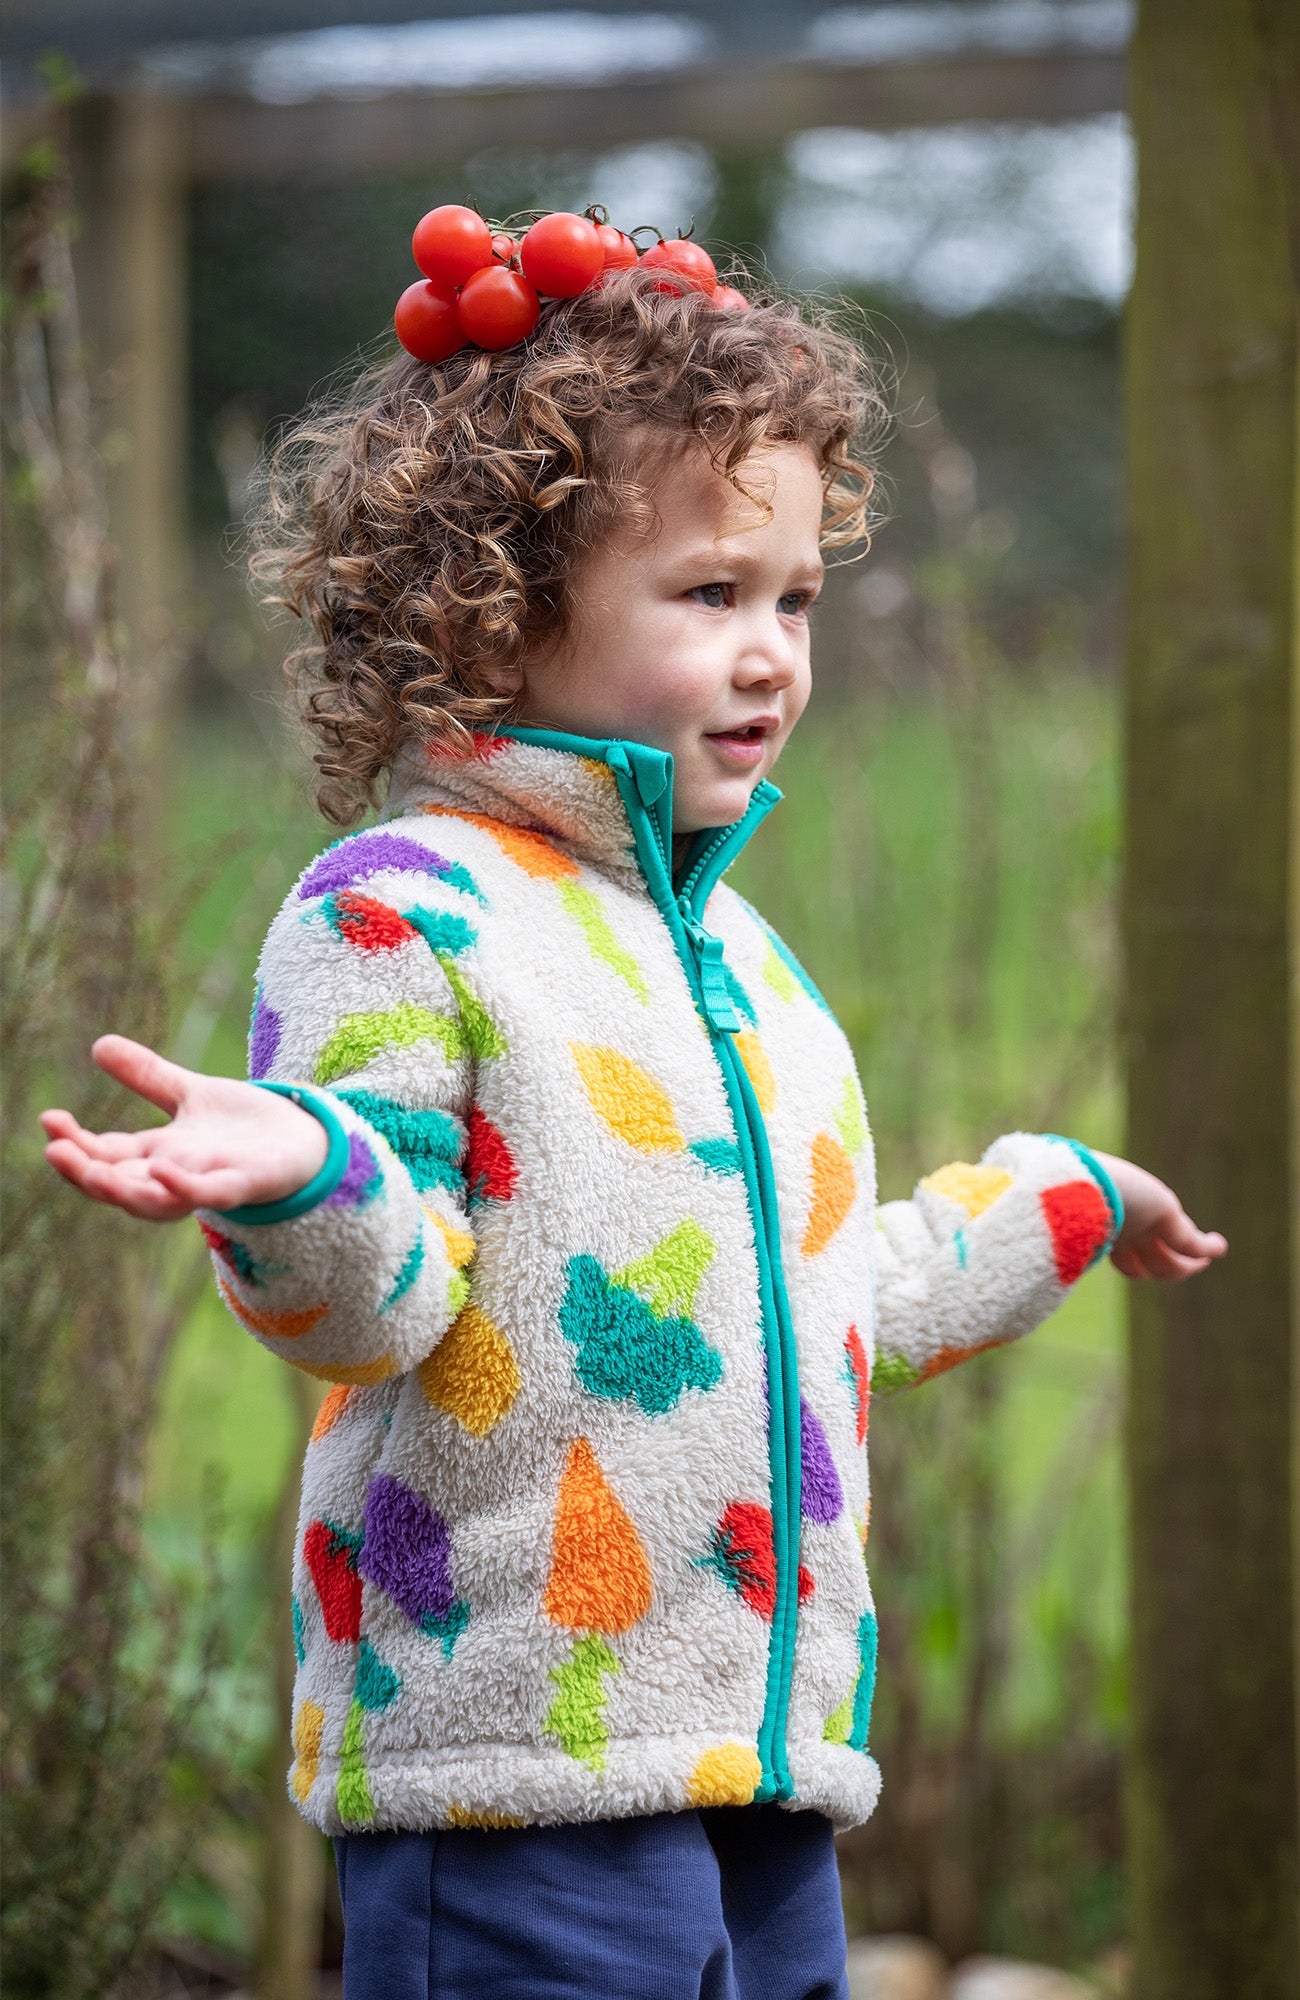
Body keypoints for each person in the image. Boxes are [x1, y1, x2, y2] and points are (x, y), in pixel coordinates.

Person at [41, 231, 1225, 2000]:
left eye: (797, 599)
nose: (772, 657)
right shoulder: (398, 906)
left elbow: (836, 1307)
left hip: (754, 1760)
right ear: (494, 609)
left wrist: (1059, 1199)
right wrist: (301, 1175)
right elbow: (380, 1307)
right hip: (513, 1770)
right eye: (708, 596)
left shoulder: (747, 965)